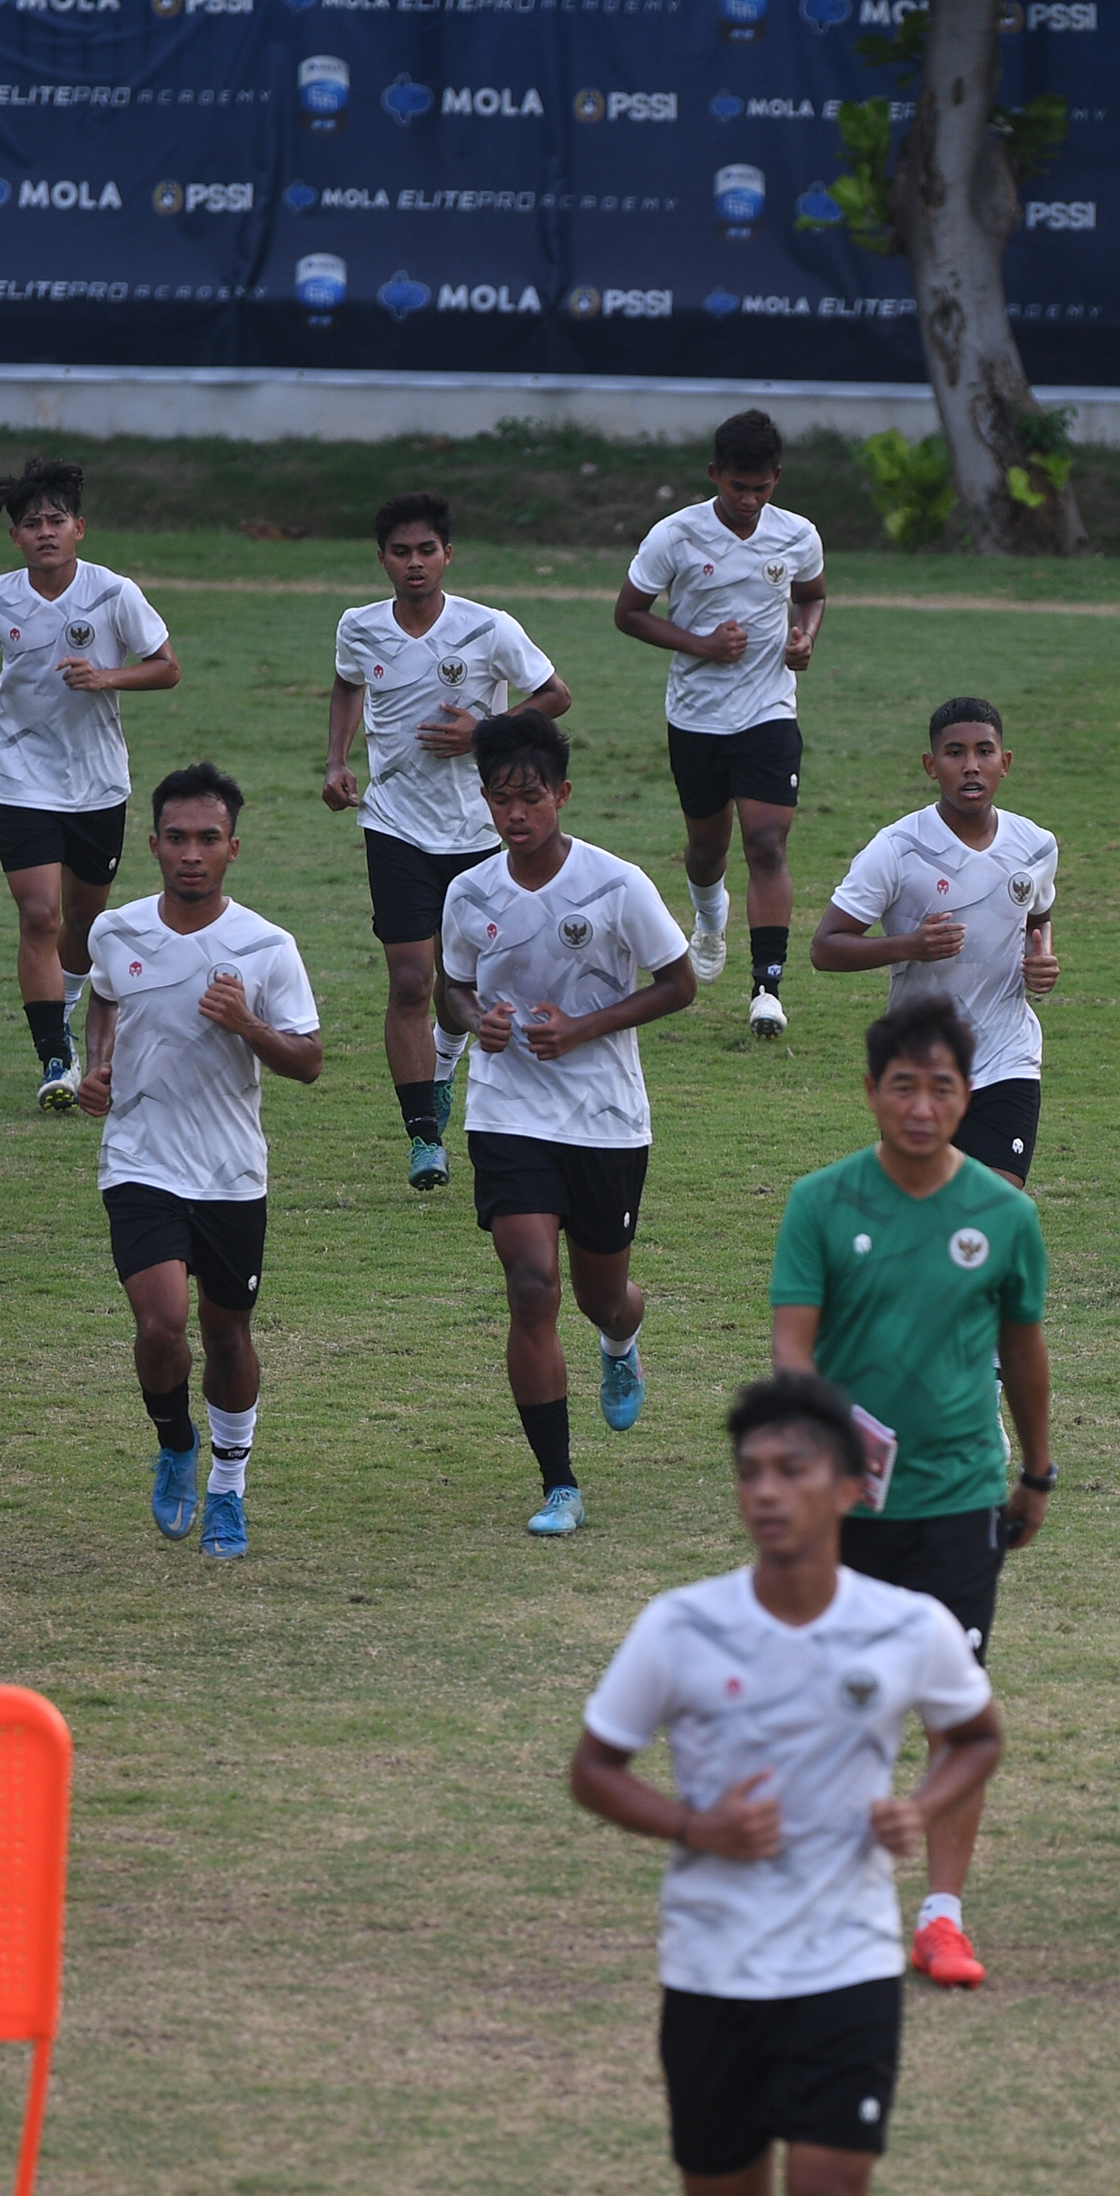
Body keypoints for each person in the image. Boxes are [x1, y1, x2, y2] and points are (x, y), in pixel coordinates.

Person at [566, 1370, 1004, 2196]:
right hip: (709, 1967)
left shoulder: (902, 1626)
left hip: (846, 1964)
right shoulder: (681, 1626)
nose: (766, 1492)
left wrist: (919, 1806)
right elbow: (593, 1767)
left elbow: (977, 1733)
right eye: (751, 1472)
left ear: (852, 1486)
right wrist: (691, 1826)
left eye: (791, 1470)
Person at [767, 1001, 1050, 1989]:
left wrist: (1037, 1464)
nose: (923, 1105)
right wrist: (815, 1444)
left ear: (968, 1095)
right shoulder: (821, 1201)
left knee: (952, 1706)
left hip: (960, 1490)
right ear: (871, 1090)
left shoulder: (1005, 1215)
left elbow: (1023, 1350)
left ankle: (940, 1916)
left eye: (941, 1086)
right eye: (904, 1084)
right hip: (843, 1506)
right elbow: (791, 1341)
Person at [438, 711, 698, 1537]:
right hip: (507, 1109)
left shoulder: (616, 885)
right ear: (484, 801)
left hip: (606, 1118)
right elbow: (449, 985)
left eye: (532, 797)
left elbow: (681, 981)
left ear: (561, 796)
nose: (517, 813)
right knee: (529, 1285)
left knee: (600, 1295)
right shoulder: (468, 892)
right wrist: (474, 1016)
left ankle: (622, 1342)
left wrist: (583, 1027)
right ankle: (559, 1483)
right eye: (502, 799)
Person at [77, 765, 321, 1562]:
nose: (191, 853)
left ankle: (228, 1486)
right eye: (176, 838)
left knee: (226, 1333)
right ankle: (175, 1439)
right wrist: (98, 1064)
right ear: (152, 844)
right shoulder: (116, 932)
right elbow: (104, 1000)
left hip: (230, 1172)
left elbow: (309, 1061)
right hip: (140, 1158)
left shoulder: (266, 946)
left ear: (233, 848)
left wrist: (248, 1024)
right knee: (162, 1323)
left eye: (207, 839)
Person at [322, 491, 573, 1193]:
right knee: (411, 979)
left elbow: (555, 694)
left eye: (426, 550)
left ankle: (450, 1059)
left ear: (447, 556)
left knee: (471, 982)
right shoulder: (359, 627)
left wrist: (484, 732)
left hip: (480, 833)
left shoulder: (488, 628)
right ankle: (424, 1135)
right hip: (394, 824)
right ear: (381, 560)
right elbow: (346, 687)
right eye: (400, 552)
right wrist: (338, 762)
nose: (413, 563)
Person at [0, 456, 181, 1114]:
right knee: (39, 914)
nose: (43, 531)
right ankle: (54, 1053)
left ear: (79, 528)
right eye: (30, 523)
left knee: (83, 918)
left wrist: (109, 677)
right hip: (23, 777)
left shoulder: (114, 595)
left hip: (98, 782)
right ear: (14, 538)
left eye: (55, 520)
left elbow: (166, 669)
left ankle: (67, 1006)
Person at [616, 409, 827, 1036]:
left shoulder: (797, 535)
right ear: (715, 475)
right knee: (708, 848)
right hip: (698, 717)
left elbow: (812, 595)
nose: (749, 500)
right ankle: (710, 918)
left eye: (762, 488)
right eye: (738, 487)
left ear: (776, 480)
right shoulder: (675, 536)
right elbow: (629, 613)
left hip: (769, 710)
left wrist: (804, 637)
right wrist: (700, 644)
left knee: (766, 843)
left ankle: (767, 988)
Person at [809, 696, 1062, 1180]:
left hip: (1008, 1056)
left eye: (984, 752)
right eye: (954, 753)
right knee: (922, 1214)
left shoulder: (1036, 845)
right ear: (931, 765)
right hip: (920, 1062)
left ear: (1004, 764)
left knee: (994, 1208)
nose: (971, 766)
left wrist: (1042, 956)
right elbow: (825, 947)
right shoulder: (897, 850)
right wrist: (909, 946)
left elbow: (1038, 912)